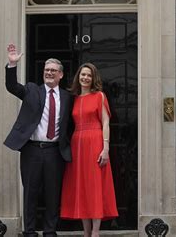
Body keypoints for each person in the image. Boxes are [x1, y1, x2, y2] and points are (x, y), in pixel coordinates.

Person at [3, 43, 73, 237]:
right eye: (46, 70)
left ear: (60, 74)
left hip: (55, 151)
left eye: (53, 70)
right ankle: (30, 231)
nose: (49, 73)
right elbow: (12, 86)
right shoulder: (32, 90)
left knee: (53, 193)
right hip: (32, 149)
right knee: (30, 192)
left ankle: (50, 231)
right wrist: (12, 64)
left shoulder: (68, 97)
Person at [60, 63, 118, 237]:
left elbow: (106, 123)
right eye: (83, 75)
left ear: (94, 79)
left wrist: (105, 147)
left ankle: (95, 232)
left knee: (94, 185)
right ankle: (86, 232)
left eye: (89, 76)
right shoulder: (74, 99)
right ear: (78, 77)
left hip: (95, 141)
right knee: (82, 186)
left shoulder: (99, 96)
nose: (85, 78)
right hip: (77, 143)